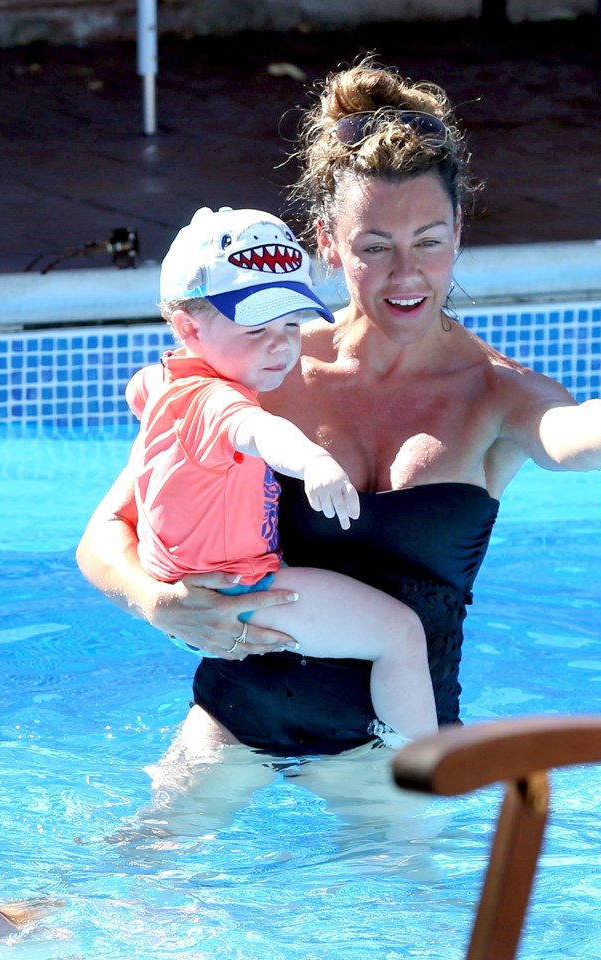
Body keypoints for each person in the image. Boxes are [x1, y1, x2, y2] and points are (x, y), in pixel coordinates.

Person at [76, 55, 601, 777]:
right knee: (126, 880)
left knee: (397, 893)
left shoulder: (492, 390)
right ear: (326, 242)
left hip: (400, 755)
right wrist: (157, 603)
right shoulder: (264, 369)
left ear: (459, 230)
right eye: (374, 249)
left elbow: (566, 433)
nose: (406, 276)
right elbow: (107, 532)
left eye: (429, 243)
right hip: (238, 717)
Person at [123, 204, 438, 748]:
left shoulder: (161, 381)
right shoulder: (216, 400)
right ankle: (420, 762)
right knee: (400, 635)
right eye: (257, 327)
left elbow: (143, 401)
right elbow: (257, 432)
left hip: (188, 586)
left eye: (291, 324)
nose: (281, 345)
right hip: (245, 590)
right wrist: (313, 461)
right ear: (189, 327)